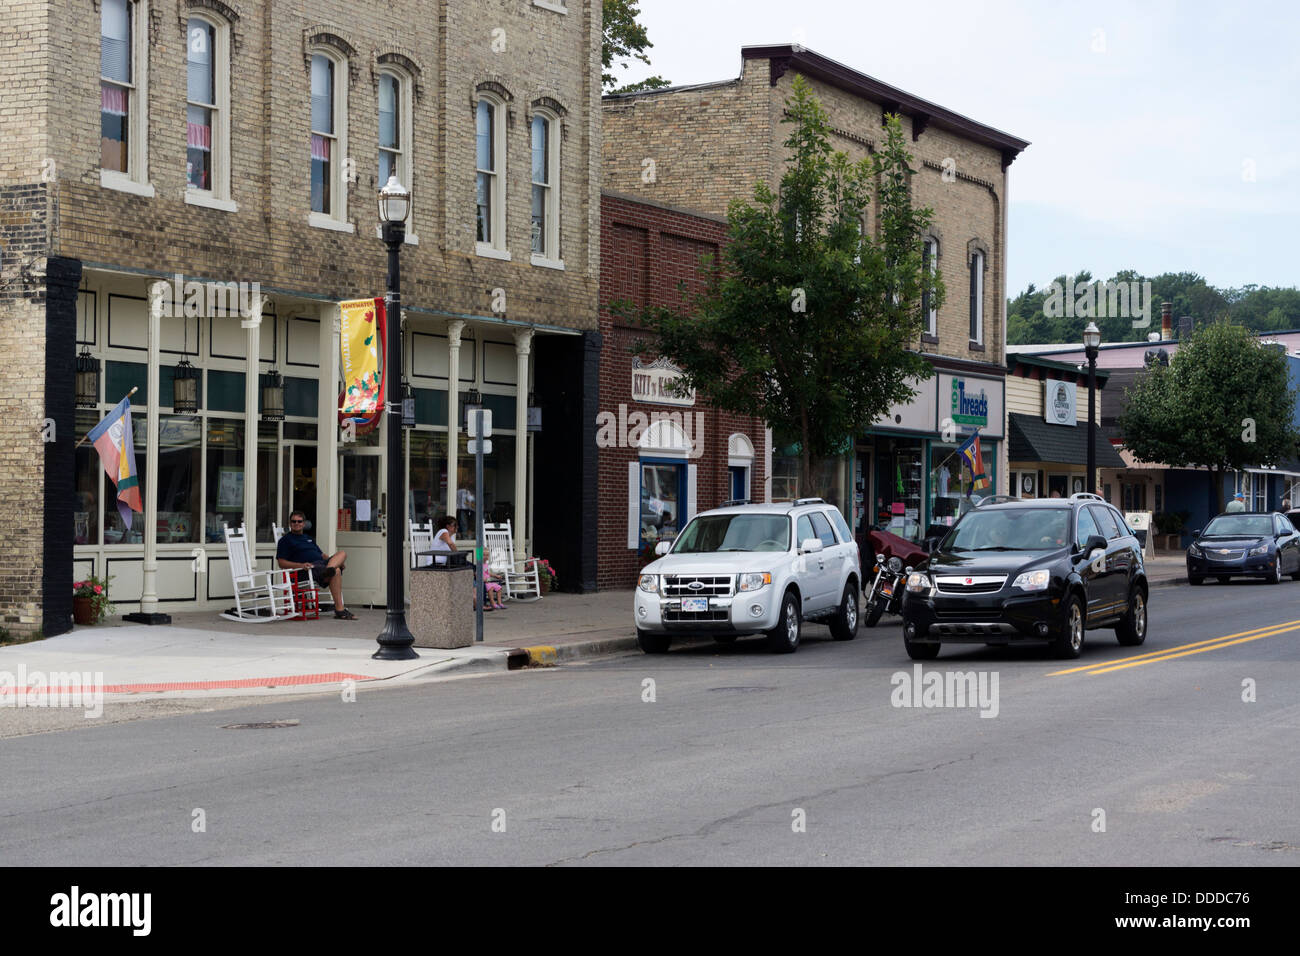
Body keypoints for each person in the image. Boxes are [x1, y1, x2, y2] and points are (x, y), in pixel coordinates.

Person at [276, 510, 355, 620]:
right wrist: (301, 565)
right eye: (293, 521)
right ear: (290, 523)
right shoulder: (285, 541)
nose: (296, 523)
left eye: (299, 521)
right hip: (306, 569)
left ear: (304, 523)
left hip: (321, 565)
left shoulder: (308, 538)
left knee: (342, 554)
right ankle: (340, 610)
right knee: (336, 571)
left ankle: (328, 570)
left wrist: (338, 561)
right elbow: (281, 563)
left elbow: (322, 555)